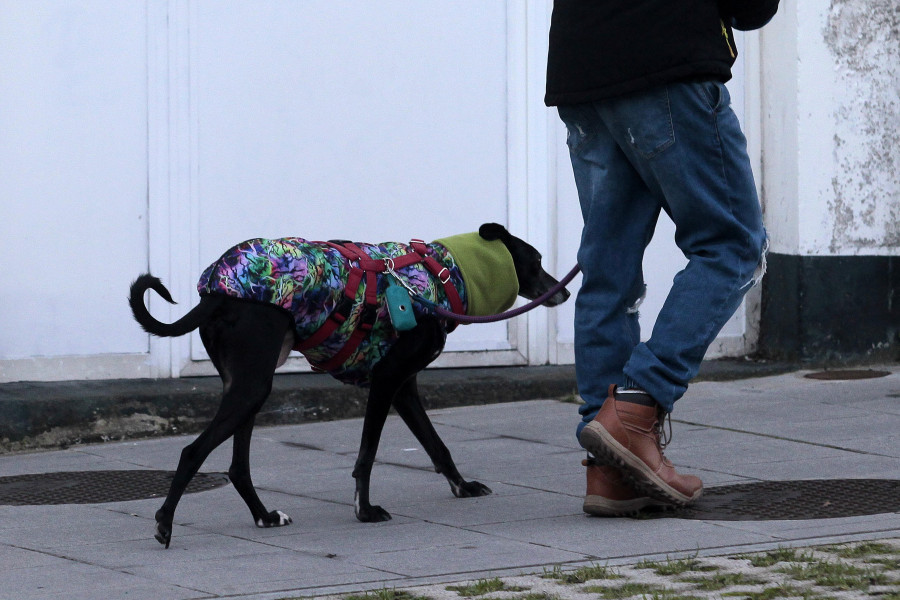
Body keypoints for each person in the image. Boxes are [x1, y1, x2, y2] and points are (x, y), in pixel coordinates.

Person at [544, 0, 780, 516]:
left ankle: (611, 472)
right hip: (667, 60)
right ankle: (637, 405)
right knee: (732, 244)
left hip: (582, 65)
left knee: (609, 271)